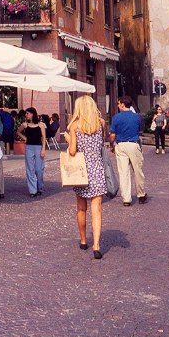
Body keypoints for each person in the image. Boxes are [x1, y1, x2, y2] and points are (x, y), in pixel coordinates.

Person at [66, 96, 106, 259]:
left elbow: (73, 151)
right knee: (97, 210)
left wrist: (69, 140)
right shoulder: (101, 123)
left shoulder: (75, 126)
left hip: (81, 171)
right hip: (97, 168)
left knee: (81, 208)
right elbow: (101, 144)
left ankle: (83, 240)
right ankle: (96, 245)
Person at [109, 95, 147, 207]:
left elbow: (112, 135)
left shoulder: (116, 117)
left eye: (118, 103)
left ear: (122, 104)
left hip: (121, 145)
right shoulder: (137, 117)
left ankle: (126, 198)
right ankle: (141, 194)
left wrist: (111, 144)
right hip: (134, 144)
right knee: (138, 171)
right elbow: (139, 130)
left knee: (123, 172)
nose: (117, 105)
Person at [17, 107, 46, 197]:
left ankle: (39, 187)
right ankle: (32, 190)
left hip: (38, 147)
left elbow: (44, 138)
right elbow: (18, 131)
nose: (26, 115)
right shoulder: (25, 124)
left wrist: (43, 149)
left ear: (32, 114)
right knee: (30, 169)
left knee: (39, 169)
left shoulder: (41, 125)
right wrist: (24, 138)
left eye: (27, 113)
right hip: (28, 147)